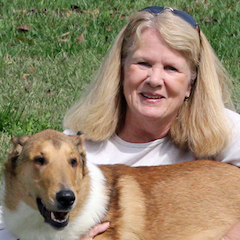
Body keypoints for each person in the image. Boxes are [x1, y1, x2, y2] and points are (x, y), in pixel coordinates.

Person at [1, 6, 240, 240]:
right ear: (121, 70)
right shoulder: (75, 151)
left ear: (191, 84)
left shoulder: (224, 128)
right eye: (143, 63)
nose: (155, 80)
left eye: (171, 68)